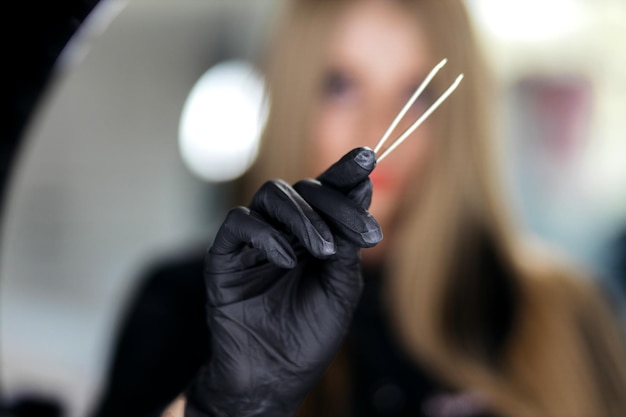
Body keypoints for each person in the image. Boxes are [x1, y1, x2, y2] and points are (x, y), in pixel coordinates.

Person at [161, 0, 626, 416]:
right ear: (293, 96)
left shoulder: (564, 314)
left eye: (416, 93)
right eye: (340, 86)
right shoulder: (187, 304)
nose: (377, 125)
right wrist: (228, 405)